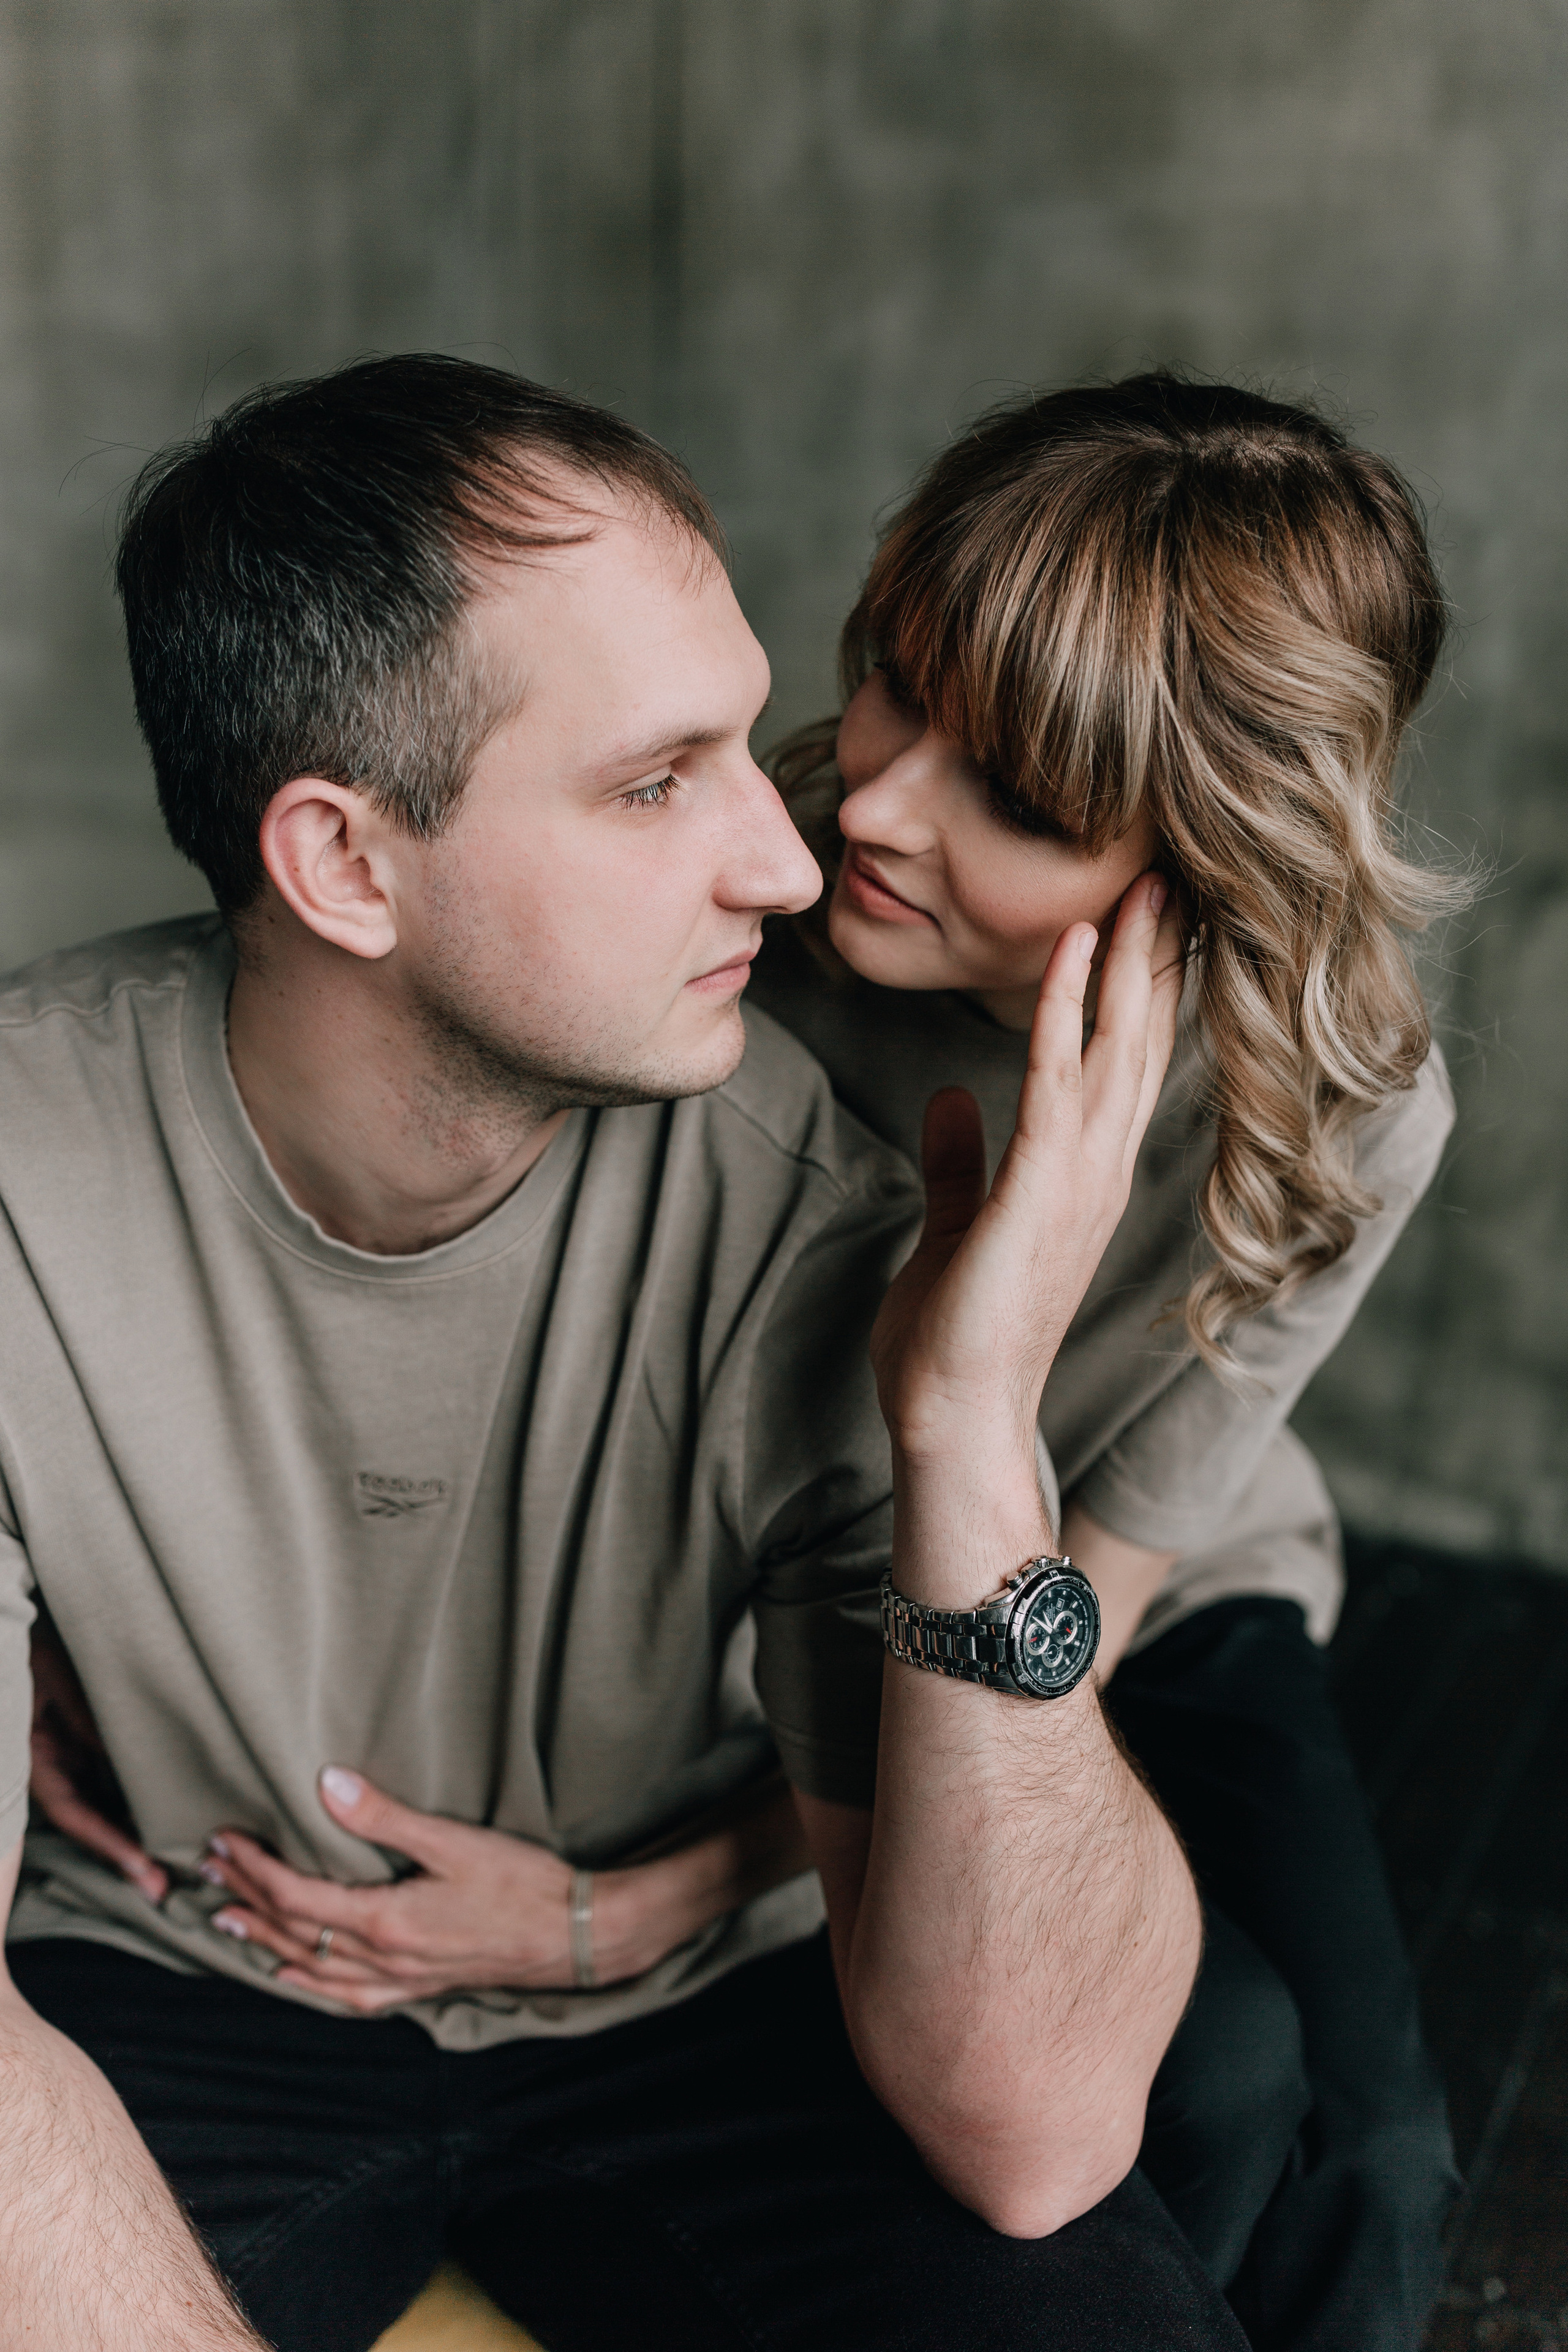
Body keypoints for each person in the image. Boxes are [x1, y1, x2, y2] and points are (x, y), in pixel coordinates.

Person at [0, 355, 1240, 2352]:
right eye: (657, 783)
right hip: (174, 1979)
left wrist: (974, 1432)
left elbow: (1038, 2132)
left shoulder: (816, 1218)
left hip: (702, 2011)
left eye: (751, 750)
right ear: (342, 864)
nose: (793, 860)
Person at [742, 372, 1466, 2351]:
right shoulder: (725, 955)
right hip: (768, 1606)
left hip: (1133, 1584)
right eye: (896, 681)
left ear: (1217, 851)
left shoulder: (1343, 1109)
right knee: (1203, 2080)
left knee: (1380, 2157)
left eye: (1023, 799)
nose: (875, 802)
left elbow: (1105, 1590)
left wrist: (657, 1901)